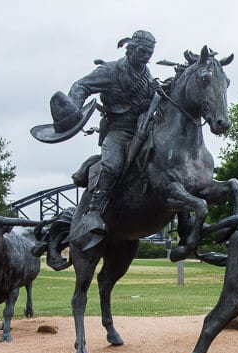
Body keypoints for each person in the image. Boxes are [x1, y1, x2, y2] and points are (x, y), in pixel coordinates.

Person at [63, 30, 159, 245]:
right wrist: (73, 109)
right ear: (130, 49)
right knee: (113, 165)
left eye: (150, 53)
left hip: (144, 130)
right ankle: (94, 212)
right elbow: (81, 86)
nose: (146, 57)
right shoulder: (110, 70)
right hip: (119, 130)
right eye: (143, 51)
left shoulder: (147, 75)